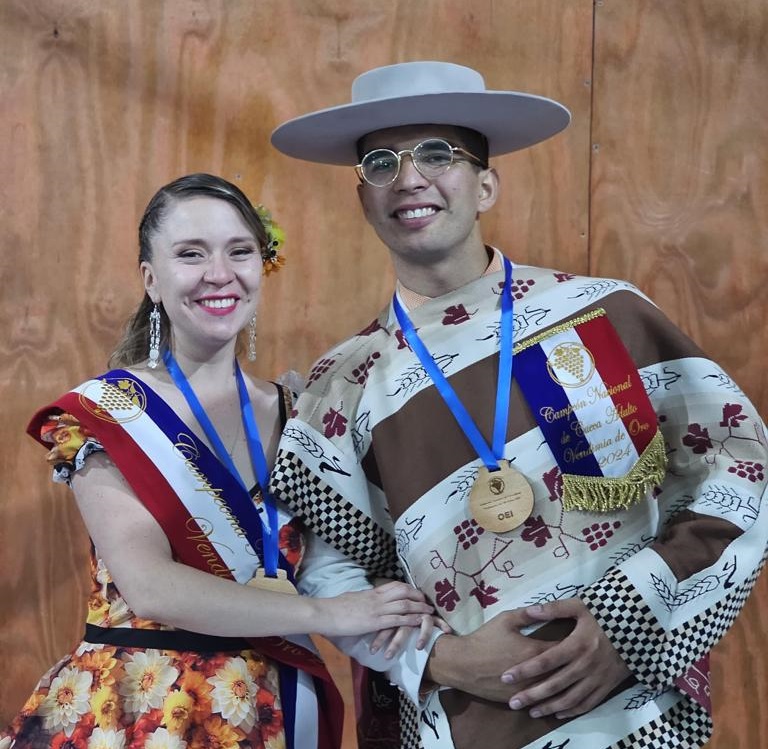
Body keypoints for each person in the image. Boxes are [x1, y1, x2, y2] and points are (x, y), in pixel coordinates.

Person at [268, 61, 768, 749]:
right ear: (364, 199)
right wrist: (438, 658)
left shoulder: (600, 313)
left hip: (634, 711)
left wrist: (629, 623)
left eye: (437, 154)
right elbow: (332, 572)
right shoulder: (341, 384)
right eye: (381, 163)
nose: (409, 179)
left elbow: (741, 464)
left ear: (486, 185)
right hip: (466, 723)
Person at [0, 173, 438, 749]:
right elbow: (152, 587)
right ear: (151, 279)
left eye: (239, 251)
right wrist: (331, 615)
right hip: (141, 711)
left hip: (272, 709)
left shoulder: (300, 412)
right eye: (191, 254)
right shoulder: (104, 415)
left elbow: (338, 558)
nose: (219, 273)